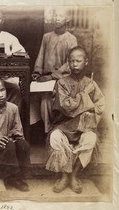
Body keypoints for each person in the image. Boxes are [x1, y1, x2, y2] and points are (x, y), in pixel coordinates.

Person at [45, 46, 105, 194]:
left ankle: (74, 175)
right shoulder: (62, 83)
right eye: (71, 61)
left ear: (86, 62)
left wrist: (87, 109)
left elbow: (99, 106)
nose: (75, 64)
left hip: (84, 127)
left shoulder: (91, 84)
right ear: (68, 63)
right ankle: (64, 176)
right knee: (55, 138)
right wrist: (85, 97)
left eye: (78, 60)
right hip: (64, 126)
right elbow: (66, 108)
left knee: (91, 138)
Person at [30, 8, 77, 134]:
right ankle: (38, 128)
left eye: (60, 16)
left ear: (67, 19)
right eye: (55, 16)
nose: (56, 18)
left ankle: (49, 130)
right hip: (45, 77)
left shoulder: (71, 39)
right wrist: (37, 73)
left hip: (62, 78)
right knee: (32, 95)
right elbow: (41, 56)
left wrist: (52, 77)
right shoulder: (47, 37)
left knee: (47, 98)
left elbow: (70, 63)